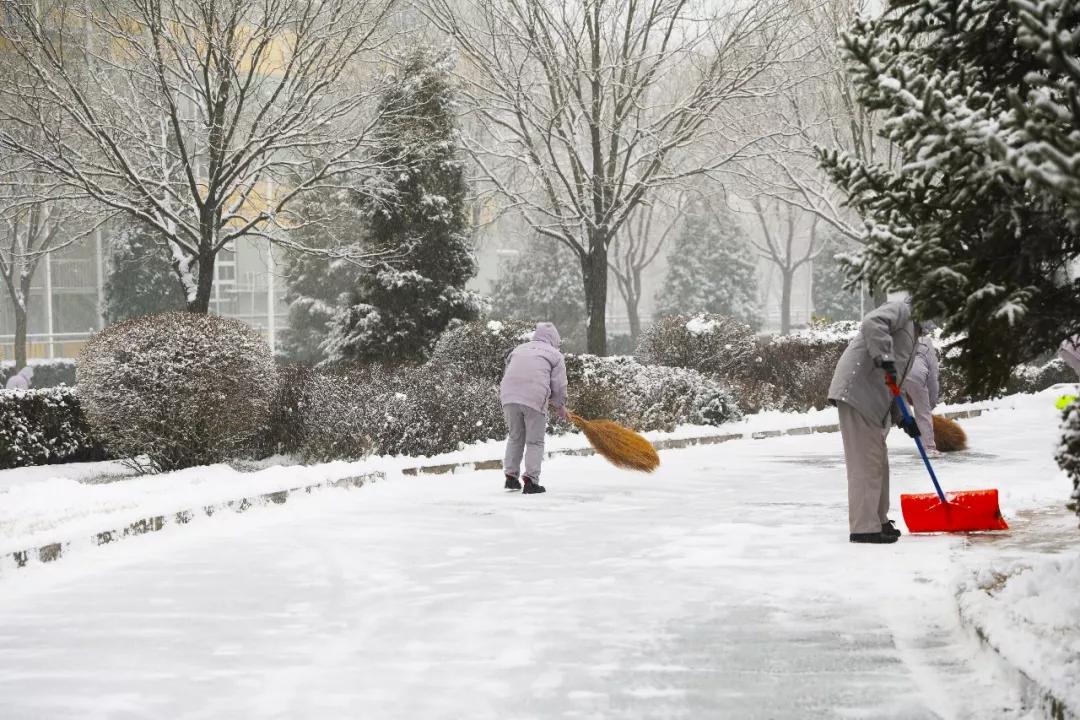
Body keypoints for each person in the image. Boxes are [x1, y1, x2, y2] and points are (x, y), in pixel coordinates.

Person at [828, 297, 923, 545]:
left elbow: (895, 378)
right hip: (858, 391)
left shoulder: (915, 329)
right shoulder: (903, 310)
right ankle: (863, 527)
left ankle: (878, 519)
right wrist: (884, 357)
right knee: (866, 462)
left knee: (878, 462)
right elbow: (872, 322)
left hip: (873, 397)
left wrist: (905, 417)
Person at [499, 322, 570, 494]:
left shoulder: (518, 349)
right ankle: (530, 481)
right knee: (535, 441)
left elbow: (510, 372)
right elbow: (559, 385)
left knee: (515, 437)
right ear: (554, 339)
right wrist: (560, 405)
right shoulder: (555, 355)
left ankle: (511, 478)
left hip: (508, 396)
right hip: (533, 398)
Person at [902, 327, 940, 456]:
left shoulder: (897, 337)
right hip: (915, 373)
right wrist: (931, 403)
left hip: (895, 371)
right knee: (922, 412)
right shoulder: (926, 342)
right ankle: (929, 448)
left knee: (897, 411)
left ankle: (876, 446)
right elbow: (933, 376)